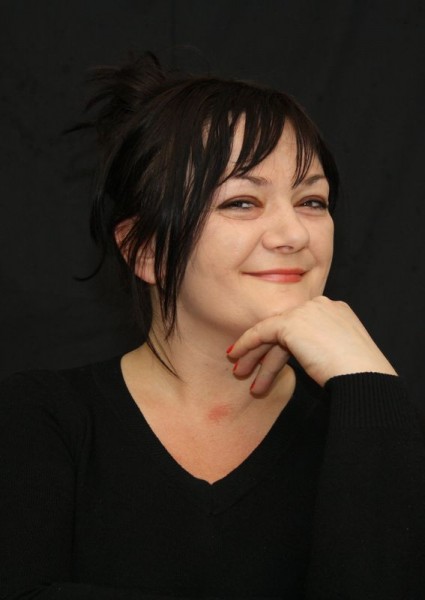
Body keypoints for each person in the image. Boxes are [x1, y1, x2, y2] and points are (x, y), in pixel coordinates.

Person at [1, 52, 424, 600]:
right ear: (144, 249)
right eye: (243, 202)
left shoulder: (373, 432)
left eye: (312, 201)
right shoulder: (38, 420)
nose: (294, 234)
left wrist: (369, 384)